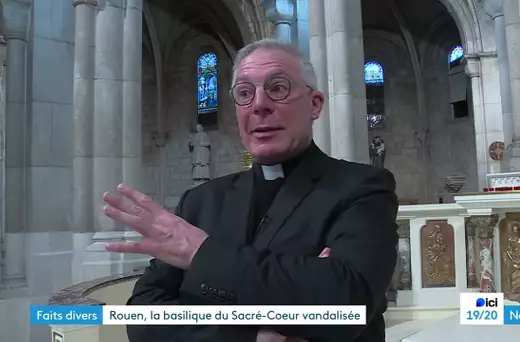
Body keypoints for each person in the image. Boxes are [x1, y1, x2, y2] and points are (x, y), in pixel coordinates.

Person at [101, 39, 398, 342]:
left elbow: (346, 304)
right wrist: (253, 335)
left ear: (314, 104)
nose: (259, 105)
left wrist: (200, 254)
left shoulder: (362, 187)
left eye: (278, 88)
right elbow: (144, 318)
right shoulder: (201, 202)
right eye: (244, 93)